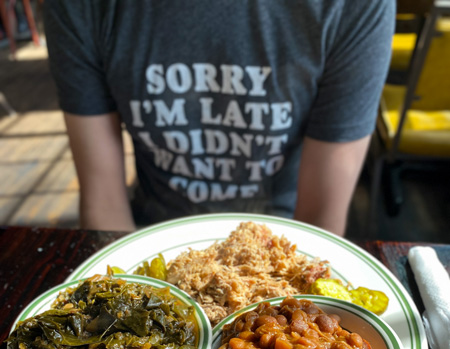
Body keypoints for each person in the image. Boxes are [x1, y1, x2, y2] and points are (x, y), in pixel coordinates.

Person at [43, 1, 395, 236]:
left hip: (284, 237)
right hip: (149, 234)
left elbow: (321, 221)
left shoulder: (355, 6)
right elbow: (103, 202)